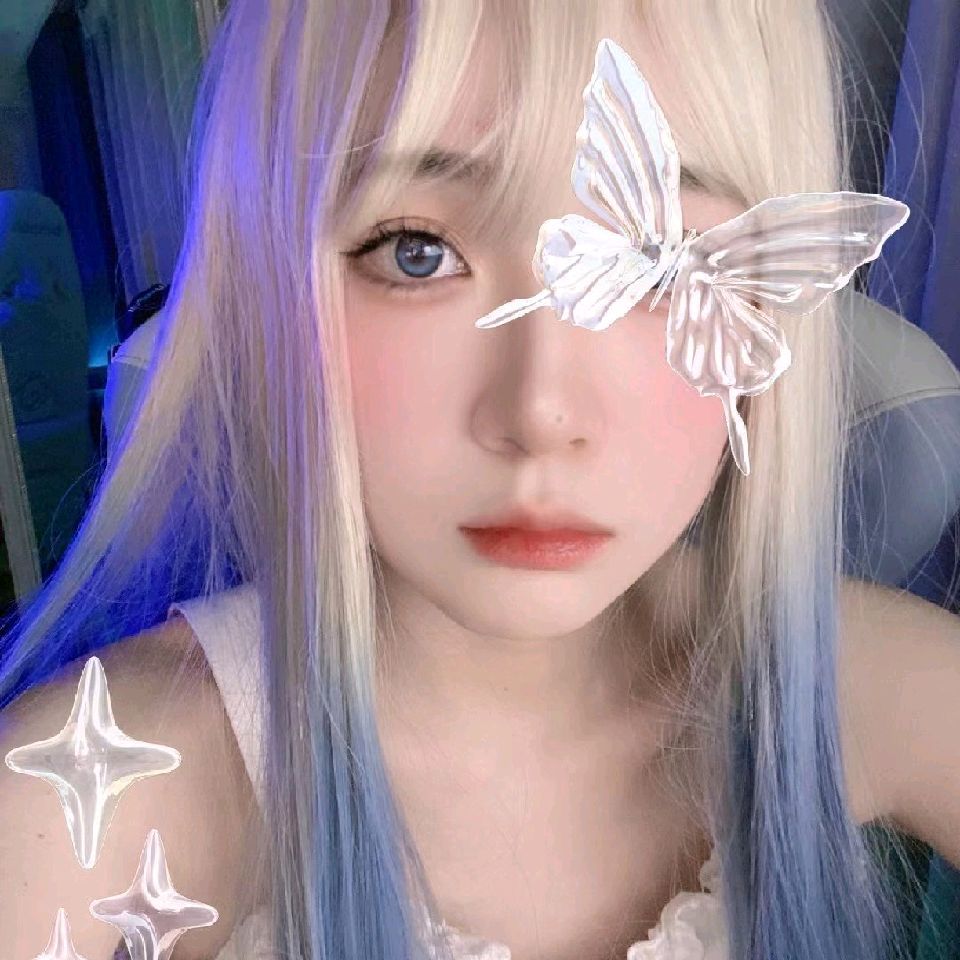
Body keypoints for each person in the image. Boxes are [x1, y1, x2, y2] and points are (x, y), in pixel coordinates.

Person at [2, 2, 959, 959]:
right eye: (416, 253)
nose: (541, 412)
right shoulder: (82, 802)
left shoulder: (868, 678)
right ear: (266, 291)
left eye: (659, 265)